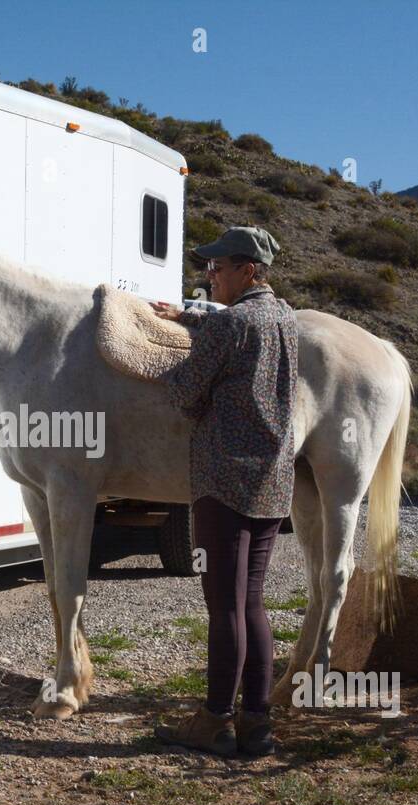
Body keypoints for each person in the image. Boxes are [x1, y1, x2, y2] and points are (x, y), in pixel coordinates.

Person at [150, 226, 299, 758]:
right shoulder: (284, 317)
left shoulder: (231, 324)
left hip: (223, 483)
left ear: (248, 271)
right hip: (272, 483)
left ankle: (215, 721)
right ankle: (257, 723)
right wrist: (188, 317)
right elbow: (235, 337)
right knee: (252, 603)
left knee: (224, 609)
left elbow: (185, 393)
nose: (208, 275)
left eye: (217, 268)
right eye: (207, 268)